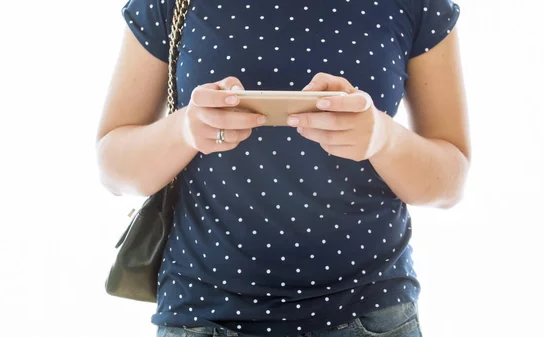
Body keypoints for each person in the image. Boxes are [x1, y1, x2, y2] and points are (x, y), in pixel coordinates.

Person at [96, 0, 469, 336]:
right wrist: (184, 128)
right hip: (201, 316)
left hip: (370, 313)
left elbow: (450, 183)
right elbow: (113, 168)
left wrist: (383, 138)